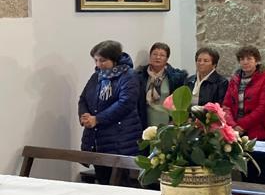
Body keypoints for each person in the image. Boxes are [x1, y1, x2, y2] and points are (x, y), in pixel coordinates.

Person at [78, 40, 143, 185]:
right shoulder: (97, 76)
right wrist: (85, 116)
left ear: (114, 59)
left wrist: (97, 119)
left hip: (121, 140)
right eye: (96, 60)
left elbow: (125, 104)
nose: (98, 64)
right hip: (97, 140)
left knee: (121, 184)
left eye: (103, 60)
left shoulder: (129, 76)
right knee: (102, 182)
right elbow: (83, 99)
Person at [223, 46, 265, 184]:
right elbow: (226, 105)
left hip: (257, 132)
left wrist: (242, 125)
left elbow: (263, 108)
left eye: (249, 59)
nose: (245, 62)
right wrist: (233, 126)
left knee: (257, 171)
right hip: (237, 133)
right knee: (244, 169)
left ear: (256, 61)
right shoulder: (235, 79)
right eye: (242, 59)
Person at [134, 42, 186, 128]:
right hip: (145, 122)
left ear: (167, 59)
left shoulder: (176, 78)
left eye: (162, 55)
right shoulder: (140, 75)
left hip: (168, 123)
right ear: (150, 56)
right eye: (155, 54)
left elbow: (180, 103)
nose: (158, 57)